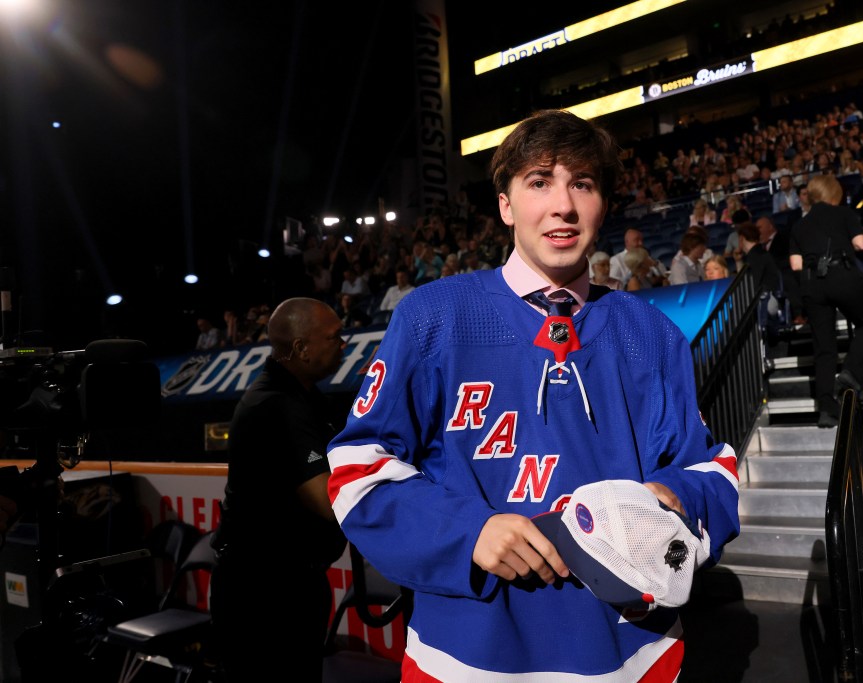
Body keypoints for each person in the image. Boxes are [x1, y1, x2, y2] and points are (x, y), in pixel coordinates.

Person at [325, 109, 739, 682]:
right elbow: (357, 470)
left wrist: (670, 496)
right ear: (505, 204)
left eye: (583, 184)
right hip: (466, 656)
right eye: (539, 181)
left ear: (603, 204)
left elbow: (713, 470)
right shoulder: (432, 318)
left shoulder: (652, 333)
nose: (563, 205)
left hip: (632, 653)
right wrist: (467, 533)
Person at [211, 298, 348, 683]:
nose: (344, 344)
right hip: (264, 598)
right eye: (334, 337)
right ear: (302, 348)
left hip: (285, 586)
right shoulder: (276, 405)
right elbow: (329, 503)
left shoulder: (300, 397)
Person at [789, 175, 863, 428]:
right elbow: (861, 244)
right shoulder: (844, 214)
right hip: (843, 276)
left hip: (812, 284)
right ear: (834, 193)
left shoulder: (799, 225)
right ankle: (850, 371)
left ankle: (827, 409)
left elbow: (796, 264)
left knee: (823, 347)